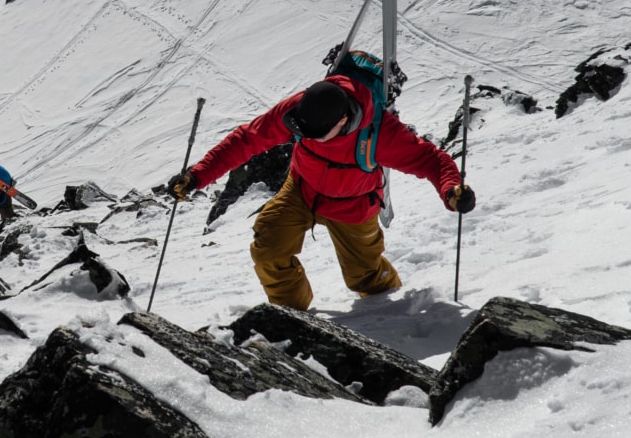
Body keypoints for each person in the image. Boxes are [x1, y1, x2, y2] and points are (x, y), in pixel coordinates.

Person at [168, 75, 475, 310]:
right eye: (300, 132)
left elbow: (430, 160)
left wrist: (451, 190)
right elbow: (247, 139)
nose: (302, 137)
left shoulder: (380, 134)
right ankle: (291, 317)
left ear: (342, 121)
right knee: (269, 245)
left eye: (313, 135)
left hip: (354, 206)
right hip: (302, 189)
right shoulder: (300, 110)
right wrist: (197, 176)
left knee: (365, 277)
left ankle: (390, 316)